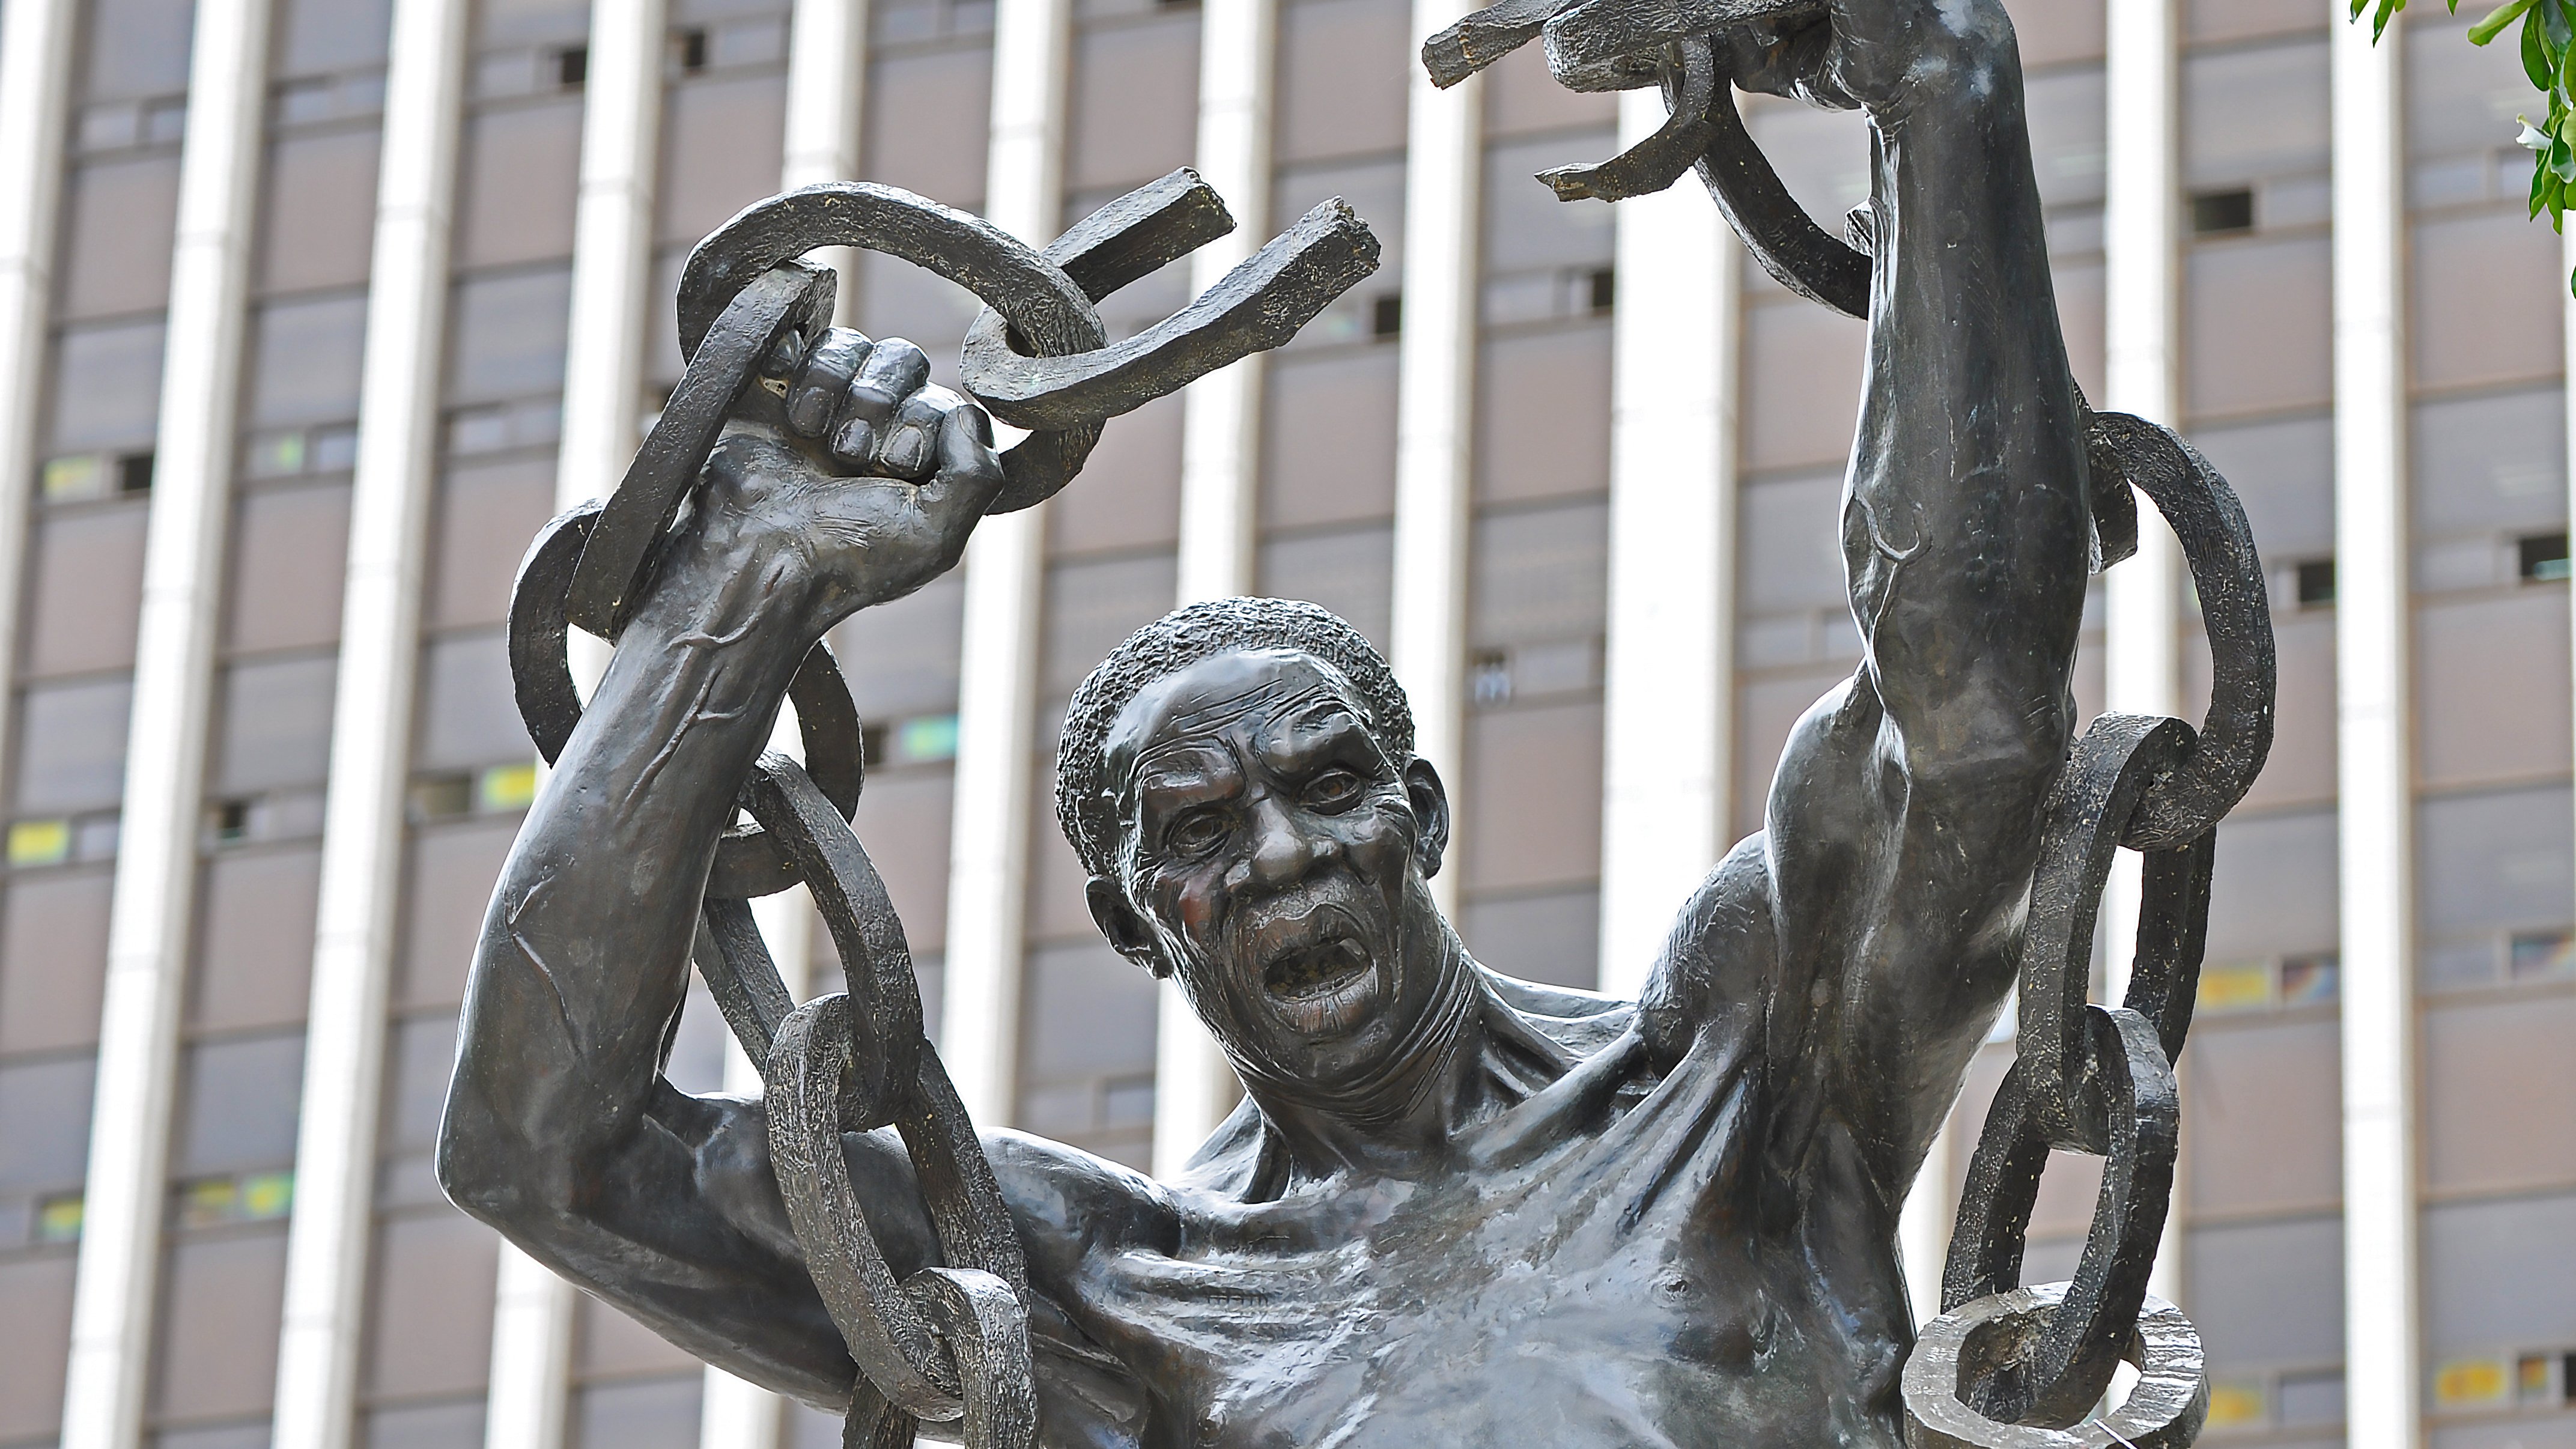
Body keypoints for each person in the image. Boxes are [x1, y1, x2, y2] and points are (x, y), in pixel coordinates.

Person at [439, 0, 2094, 1439]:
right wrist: (749, 578)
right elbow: (552, 1159)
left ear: (1422, 815)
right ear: (1135, 923)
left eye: (1327, 786)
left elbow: (1972, 713)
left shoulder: (1732, 1077)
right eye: (1207, 829)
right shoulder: (1112, 1284)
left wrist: (1941, 83)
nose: (1289, 851)